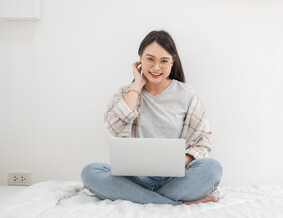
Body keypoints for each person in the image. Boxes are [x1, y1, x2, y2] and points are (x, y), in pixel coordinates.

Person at [81, 30, 223, 205]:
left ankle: (142, 197)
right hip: (137, 179)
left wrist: (179, 161)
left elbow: (203, 142)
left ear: (173, 61)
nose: (156, 67)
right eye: (150, 59)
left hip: (176, 178)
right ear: (140, 58)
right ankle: (175, 202)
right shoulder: (126, 93)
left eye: (164, 61)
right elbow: (114, 127)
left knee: (212, 169)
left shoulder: (186, 94)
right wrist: (137, 86)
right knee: (90, 172)